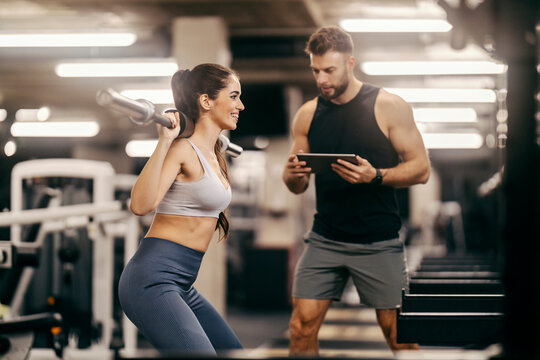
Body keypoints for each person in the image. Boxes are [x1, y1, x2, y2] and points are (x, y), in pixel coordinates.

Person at [282, 26, 430, 355]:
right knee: (300, 327)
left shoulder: (389, 106)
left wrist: (375, 176)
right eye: (316, 70)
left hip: (378, 241)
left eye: (329, 70)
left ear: (350, 63)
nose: (321, 79)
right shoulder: (308, 114)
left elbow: (421, 169)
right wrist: (292, 173)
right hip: (325, 239)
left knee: (399, 335)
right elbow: (296, 185)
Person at [118, 63, 244, 355]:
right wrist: (164, 142)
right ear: (206, 101)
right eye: (234, 96)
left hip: (183, 283)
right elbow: (140, 205)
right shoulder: (182, 151)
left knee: (233, 353)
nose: (241, 105)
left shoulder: (213, 153)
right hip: (151, 280)